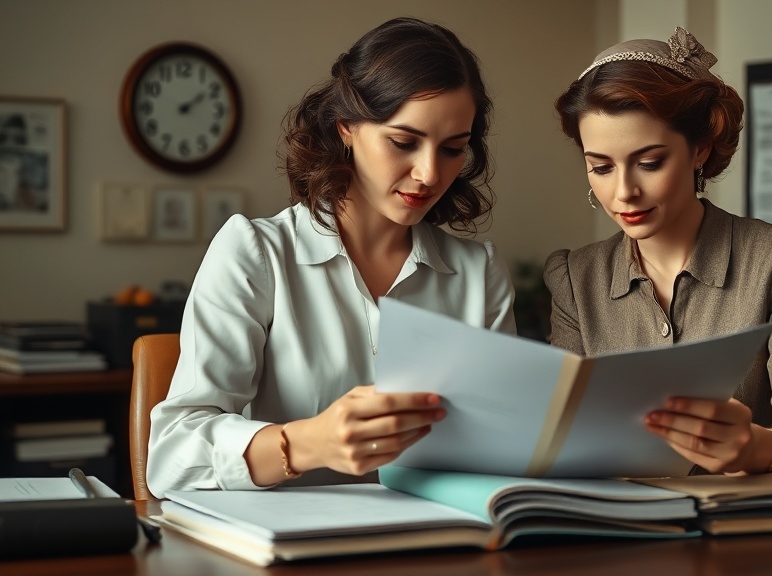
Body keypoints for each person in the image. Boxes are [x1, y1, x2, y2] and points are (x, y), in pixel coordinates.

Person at [148, 17, 516, 498]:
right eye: (403, 142)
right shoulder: (256, 254)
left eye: (452, 150)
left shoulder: (479, 273)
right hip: (287, 540)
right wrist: (309, 444)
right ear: (347, 127)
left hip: (440, 535)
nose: (429, 173)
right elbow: (171, 455)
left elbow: (504, 443)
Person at [544, 28, 772, 476]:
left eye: (649, 163)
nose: (624, 191)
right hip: (613, 514)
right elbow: (563, 430)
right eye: (601, 167)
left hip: (744, 516)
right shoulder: (576, 279)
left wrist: (759, 448)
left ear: (700, 150)